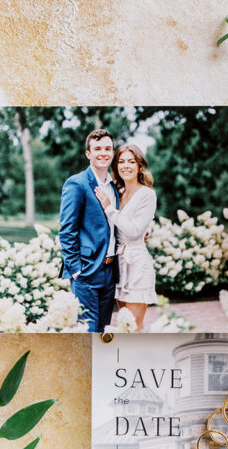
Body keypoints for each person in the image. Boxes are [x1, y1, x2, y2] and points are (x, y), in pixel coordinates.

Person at [58, 129, 120, 332]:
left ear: (113, 152)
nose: (103, 153)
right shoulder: (77, 183)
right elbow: (67, 230)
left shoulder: (114, 187)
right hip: (86, 270)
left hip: (110, 270)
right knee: (87, 331)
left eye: (108, 148)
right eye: (97, 149)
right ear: (88, 154)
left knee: (102, 331)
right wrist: (76, 270)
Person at [95, 144, 157, 331]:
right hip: (119, 266)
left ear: (140, 166)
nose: (126, 166)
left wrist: (109, 209)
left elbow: (134, 231)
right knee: (124, 326)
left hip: (137, 265)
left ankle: (139, 360)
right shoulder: (117, 193)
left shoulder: (147, 194)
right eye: (121, 161)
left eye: (131, 161)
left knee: (134, 327)